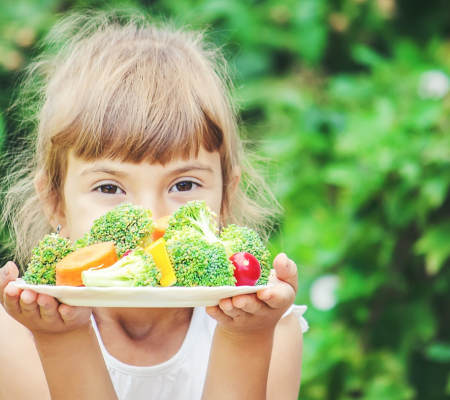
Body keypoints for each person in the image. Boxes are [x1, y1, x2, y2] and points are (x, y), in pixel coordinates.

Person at [0, 10, 308, 400]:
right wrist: (62, 339)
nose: (149, 218)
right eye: (109, 188)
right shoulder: (18, 333)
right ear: (54, 202)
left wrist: (244, 337)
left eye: (183, 183)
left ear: (225, 197)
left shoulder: (273, 329)